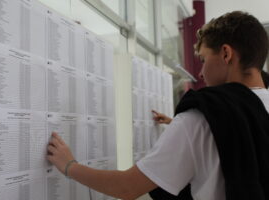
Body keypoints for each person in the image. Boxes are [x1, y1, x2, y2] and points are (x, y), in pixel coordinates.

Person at [47, 11, 269, 200]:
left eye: (203, 59)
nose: (201, 73)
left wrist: (69, 166)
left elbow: (127, 187)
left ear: (226, 54)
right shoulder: (234, 115)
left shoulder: (198, 119)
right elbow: (247, 135)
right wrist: (177, 124)